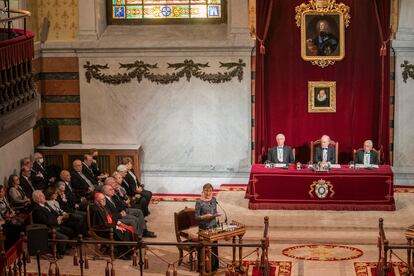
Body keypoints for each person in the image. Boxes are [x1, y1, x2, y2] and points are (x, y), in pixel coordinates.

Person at [31, 190, 74, 257]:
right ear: (38, 198)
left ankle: (66, 248)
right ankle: (59, 252)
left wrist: (59, 217)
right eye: (42, 196)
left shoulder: (45, 204)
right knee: (64, 238)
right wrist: (56, 221)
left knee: (70, 231)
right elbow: (45, 221)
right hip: (48, 228)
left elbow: (53, 212)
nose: (44, 196)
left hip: (55, 224)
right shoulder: (37, 209)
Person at [90, 192, 133, 257]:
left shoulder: (102, 206)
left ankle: (128, 251)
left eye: (104, 199)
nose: (104, 201)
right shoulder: (96, 209)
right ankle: (124, 254)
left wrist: (118, 223)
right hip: (102, 230)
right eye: (102, 199)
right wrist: (116, 227)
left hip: (109, 227)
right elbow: (102, 224)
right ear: (96, 201)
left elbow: (109, 217)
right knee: (124, 232)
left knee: (128, 230)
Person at [195, 183, 220, 272]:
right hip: (204, 228)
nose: (208, 193)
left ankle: (214, 267)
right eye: (206, 190)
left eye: (210, 191)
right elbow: (196, 217)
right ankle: (203, 267)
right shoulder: (199, 202)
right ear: (203, 191)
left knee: (213, 247)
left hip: (213, 227)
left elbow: (215, 212)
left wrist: (217, 214)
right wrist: (204, 216)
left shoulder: (214, 200)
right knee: (204, 247)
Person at [0, 185, 24, 250]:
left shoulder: (3, 198)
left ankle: (16, 245)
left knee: (19, 224)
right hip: (3, 221)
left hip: (8, 218)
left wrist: (12, 211)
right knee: (14, 227)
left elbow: (8, 207)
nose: (3, 193)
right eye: (1, 192)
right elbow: (2, 215)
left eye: (3, 191)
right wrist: (8, 217)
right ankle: (10, 247)